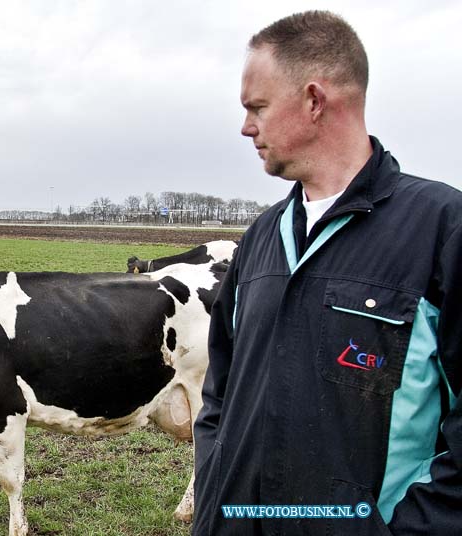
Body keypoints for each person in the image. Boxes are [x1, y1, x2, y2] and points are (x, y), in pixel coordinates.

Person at [192, 10, 462, 535]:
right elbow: (219, 399)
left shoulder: (441, 229)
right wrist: (213, 503)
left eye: (257, 107)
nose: (246, 127)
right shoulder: (262, 237)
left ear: (314, 101)